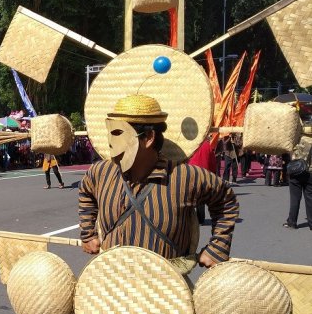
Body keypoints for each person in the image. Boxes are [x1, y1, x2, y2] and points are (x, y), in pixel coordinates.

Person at [78, 95, 239, 273]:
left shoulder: (185, 177)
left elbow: (226, 200)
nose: (110, 142)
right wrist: (88, 233)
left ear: (148, 137)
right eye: (111, 133)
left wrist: (218, 248)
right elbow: (86, 192)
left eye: (118, 134)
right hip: (112, 285)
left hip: (164, 289)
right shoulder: (100, 172)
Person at [188, 135, 218, 224]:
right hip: (204, 173)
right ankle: (200, 218)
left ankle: (190, 217)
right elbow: (212, 161)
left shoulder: (191, 144)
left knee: (190, 195)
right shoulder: (208, 145)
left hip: (191, 172)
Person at [284, 136, 312, 230]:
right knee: (310, 198)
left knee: (295, 198)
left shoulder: (297, 139)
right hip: (310, 173)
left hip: (296, 171)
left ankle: (292, 222)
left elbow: (289, 151)